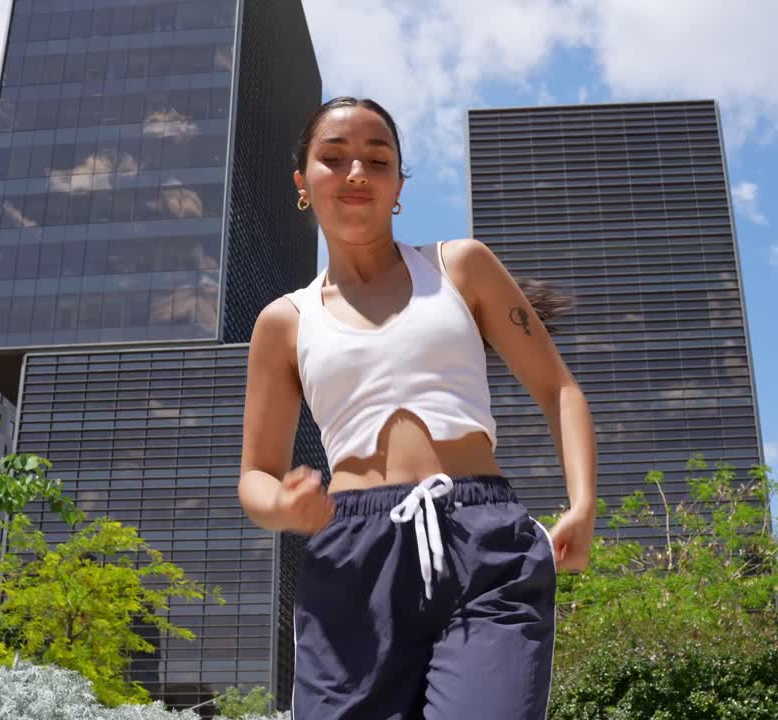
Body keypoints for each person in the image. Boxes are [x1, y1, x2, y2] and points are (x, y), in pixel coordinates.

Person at [237, 96, 598, 720]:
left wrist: (584, 503)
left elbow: (558, 388)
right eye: (334, 158)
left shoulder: (461, 268)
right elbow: (255, 476)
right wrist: (285, 507)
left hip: (483, 543)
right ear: (303, 182)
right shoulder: (284, 322)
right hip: (351, 554)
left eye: (377, 161)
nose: (356, 173)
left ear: (398, 185)